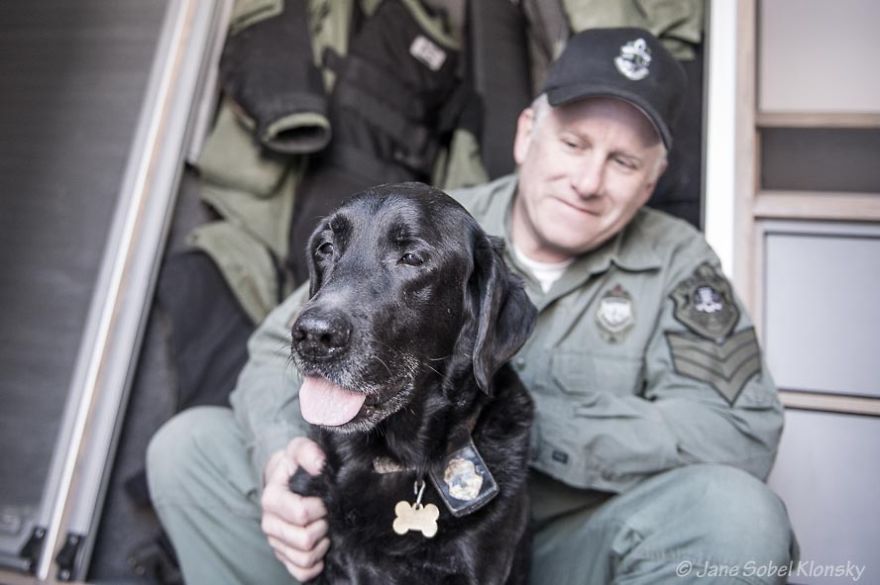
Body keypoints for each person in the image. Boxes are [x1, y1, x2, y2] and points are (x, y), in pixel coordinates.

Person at [147, 27, 797, 584]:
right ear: (526, 134)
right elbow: (276, 346)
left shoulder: (680, 262)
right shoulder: (431, 225)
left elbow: (742, 431)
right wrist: (281, 449)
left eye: (623, 161)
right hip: (378, 512)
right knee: (190, 448)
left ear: (651, 180)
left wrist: (518, 431)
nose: (589, 180)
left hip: (567, 537)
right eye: (573, 143)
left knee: (740, 515)